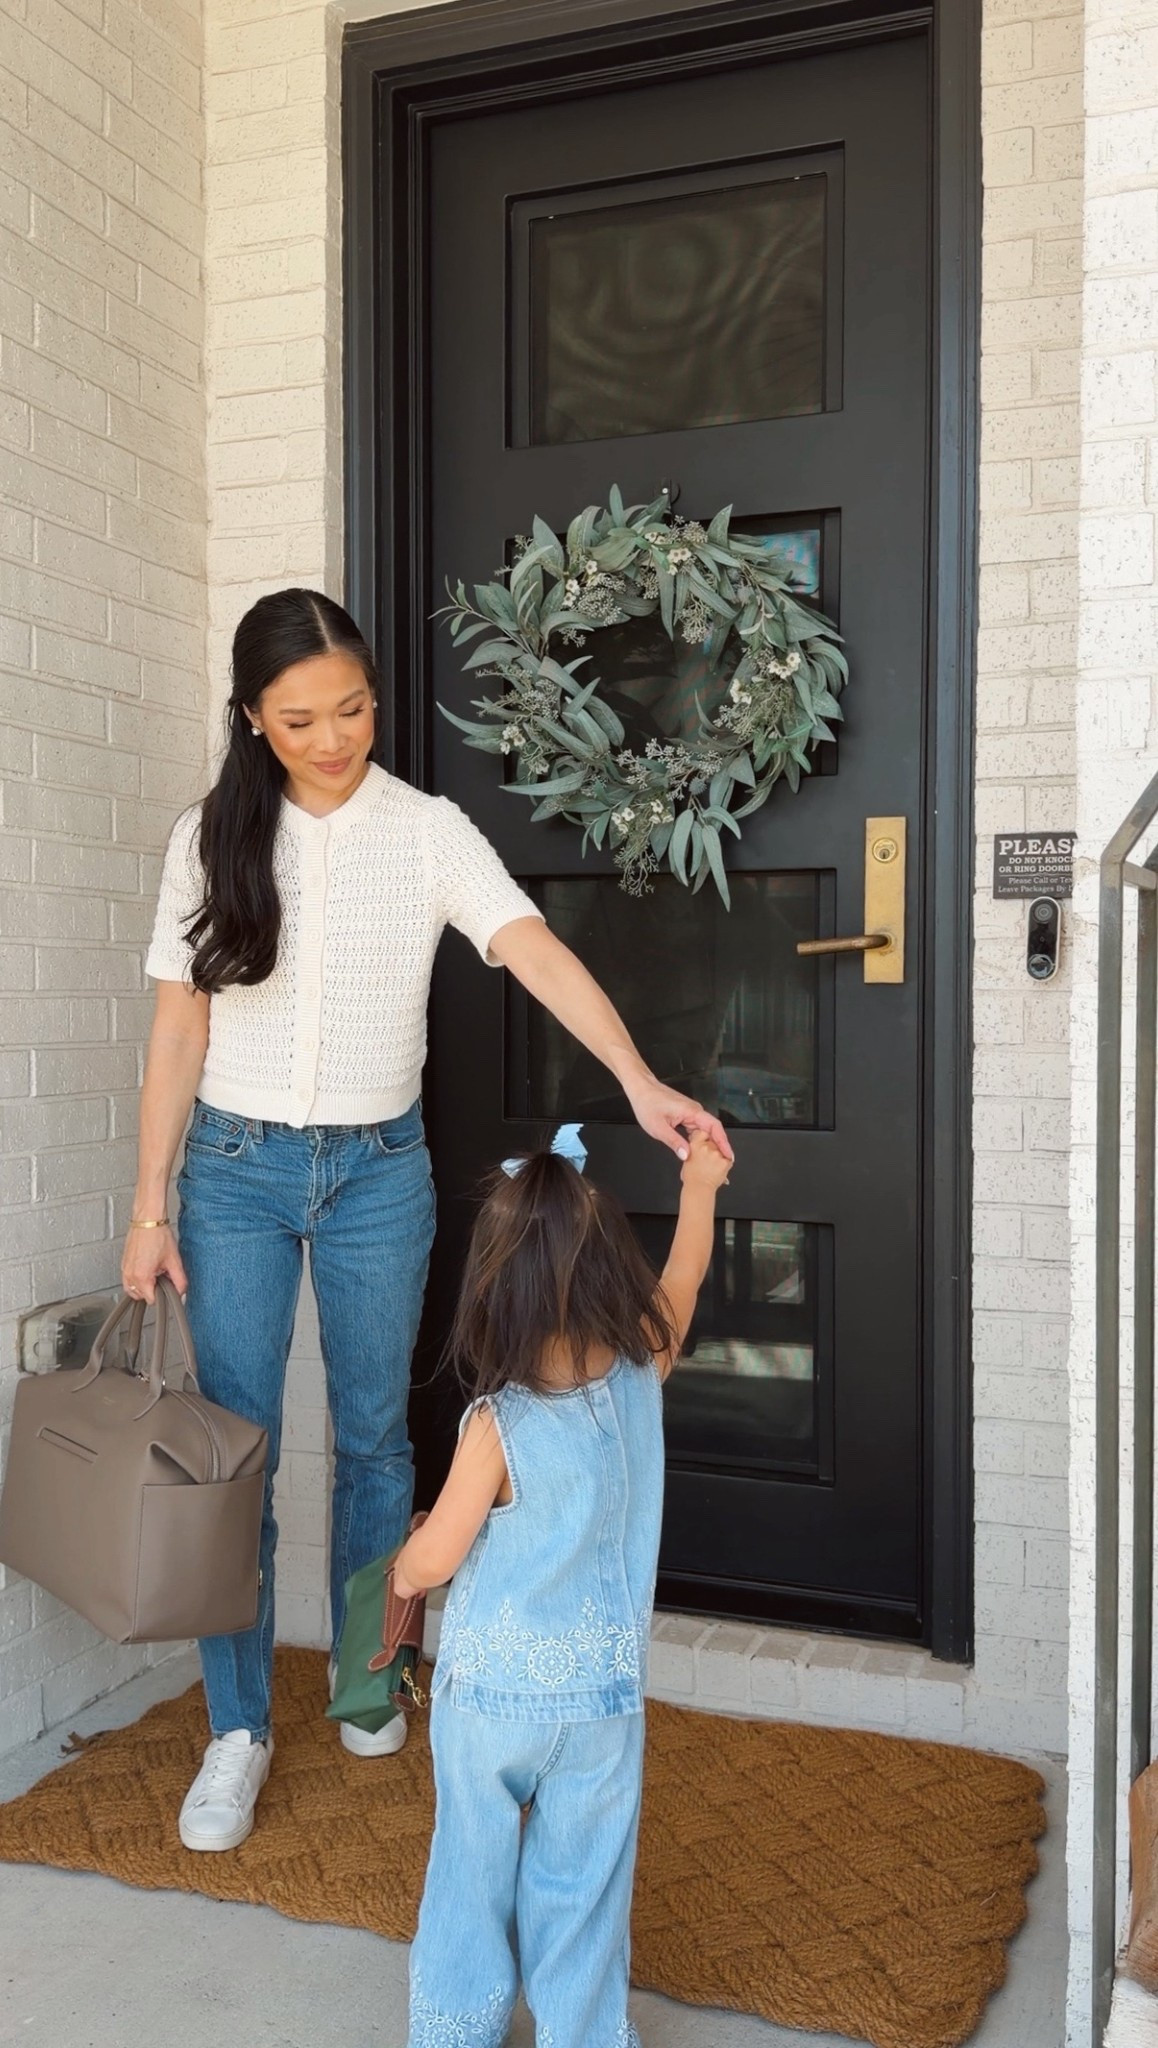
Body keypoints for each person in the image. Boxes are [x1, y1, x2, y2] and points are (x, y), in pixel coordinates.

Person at [122, 587, 731, 1854]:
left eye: (351, 707)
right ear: (253, 718)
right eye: (300, 719)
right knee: (235, 1453)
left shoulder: (428, 830)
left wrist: (639, 1081)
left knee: (374, 1442)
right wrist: (148, 1204)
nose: (334, 736)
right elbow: (179, 1023)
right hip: (230, 1169)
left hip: (378, 1173)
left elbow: (534, 948)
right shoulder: (209, 835)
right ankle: (237, 1725)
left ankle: (362, 1674)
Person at [392, 1123, 730, 2048]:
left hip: (494, 1697)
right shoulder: (639, 1374)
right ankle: (582, 2032)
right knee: (583, 1885)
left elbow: (440, 1558)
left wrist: (404, 1562)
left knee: (469, 1868)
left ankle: (457, 2031)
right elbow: (687, 1282)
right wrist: (699, 1186)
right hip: (600, 1703)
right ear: (609, 1267)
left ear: (496, 1283)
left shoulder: (496, 1425)